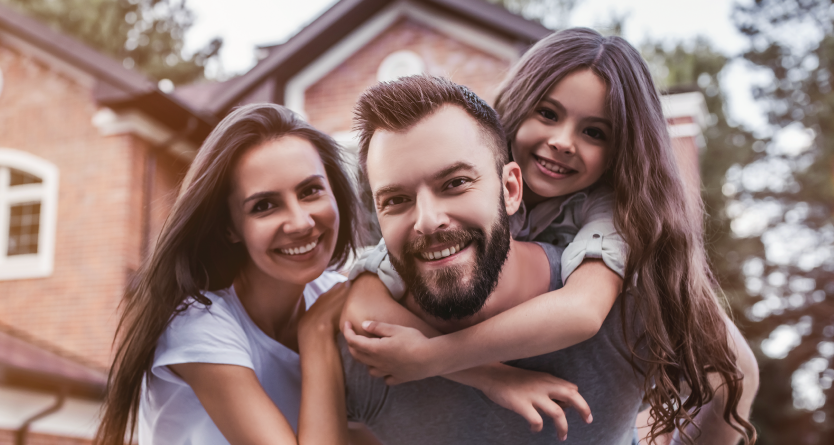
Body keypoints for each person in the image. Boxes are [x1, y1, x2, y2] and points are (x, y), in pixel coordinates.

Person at [340, 66, 755, 443]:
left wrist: (432, 357)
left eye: (595, 132)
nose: (562, 142)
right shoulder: (377, 333)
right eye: (549, 114)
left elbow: (585, 311)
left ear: (510, 188)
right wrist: (489, 377)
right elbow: (358, 302)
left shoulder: (614, 225)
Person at [94, 103, 364, 445]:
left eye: (310, 191)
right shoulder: (196, 324)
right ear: (229, 228)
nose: (301, 222)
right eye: (264, 205)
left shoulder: (338, 294)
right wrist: (317, 334)